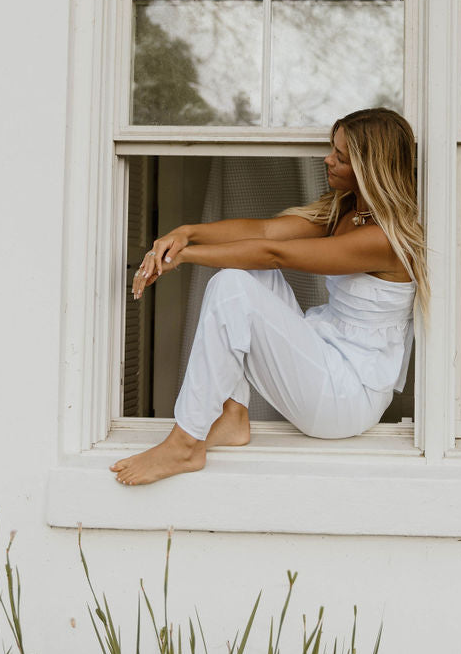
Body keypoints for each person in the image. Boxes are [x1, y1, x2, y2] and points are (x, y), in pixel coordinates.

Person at [111, 108, 428, 487]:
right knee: (247, 276)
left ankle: (185, 443)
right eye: (333, 149)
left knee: (233, 287)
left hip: (347, 397)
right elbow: (266, 230)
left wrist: (185, 256)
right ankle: (232, 415)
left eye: (341, 157)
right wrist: (187, 232)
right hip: (327, 358)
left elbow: (275, 252)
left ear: (368, 168)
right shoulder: (347, 211)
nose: (328, 159)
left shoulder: (384, 241)